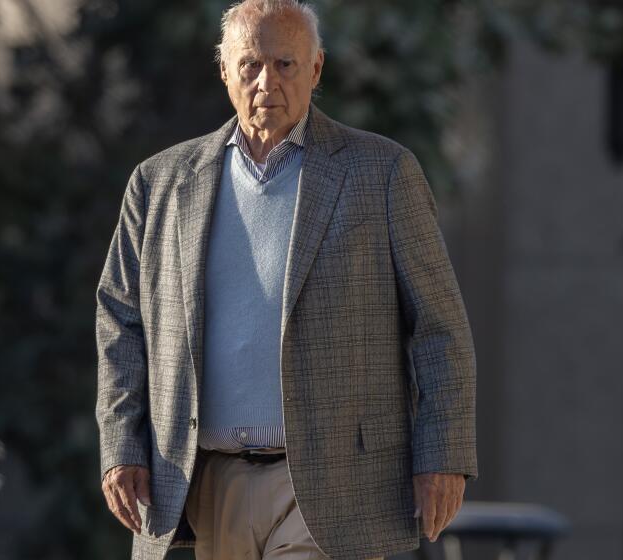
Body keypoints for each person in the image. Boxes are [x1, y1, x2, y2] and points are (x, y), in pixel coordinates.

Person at [95, 1, 478, 559]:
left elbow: (439, 328)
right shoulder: (159, 183)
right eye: (249, 64)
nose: (266, 81)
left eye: (285, 64)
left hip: (332, 485)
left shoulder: (381, 173)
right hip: (206, 480)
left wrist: (442, 455)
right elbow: (120, 323)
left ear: (316, 69)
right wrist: (120, 446)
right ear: (223, 69)